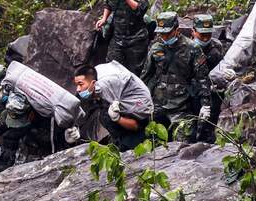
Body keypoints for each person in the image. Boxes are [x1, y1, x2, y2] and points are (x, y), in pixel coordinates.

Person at [140, 12, 210, 141]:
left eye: (167, 33)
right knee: (153, 144)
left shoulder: (192, 48)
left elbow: (202, 78)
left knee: (183, 145)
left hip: (182, 105)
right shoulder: (156, 47)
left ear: (176, 30)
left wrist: (205, 105)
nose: (164, 37)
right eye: (161, 33)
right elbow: (146, 75)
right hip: (158, 104)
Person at [69, 63, 153, 151]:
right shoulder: (94, 81)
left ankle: (131, 143)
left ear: (93, 83)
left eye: (80, 84)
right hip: (124, 97)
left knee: (107, 116)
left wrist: (117, 118)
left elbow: (136, 124)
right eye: (77, 85)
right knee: (104, 113)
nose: (78, 89)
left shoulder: (106, 87)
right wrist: (75, 128)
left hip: (139, 107)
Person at [94, 0, 150, 74]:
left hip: (136, 38)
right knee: (112, 68)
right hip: (118, 37)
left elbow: (142, 8)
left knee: (135, 71)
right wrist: (104, 18)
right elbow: (108, 4)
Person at [187, 15, 224, 142]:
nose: (205, 38)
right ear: (193, 31)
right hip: (192, 93)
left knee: (210, 126)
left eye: (208, 35)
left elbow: (221, 67)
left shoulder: (216, 46)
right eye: (201, 35)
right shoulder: (186, 47)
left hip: (213, 92)